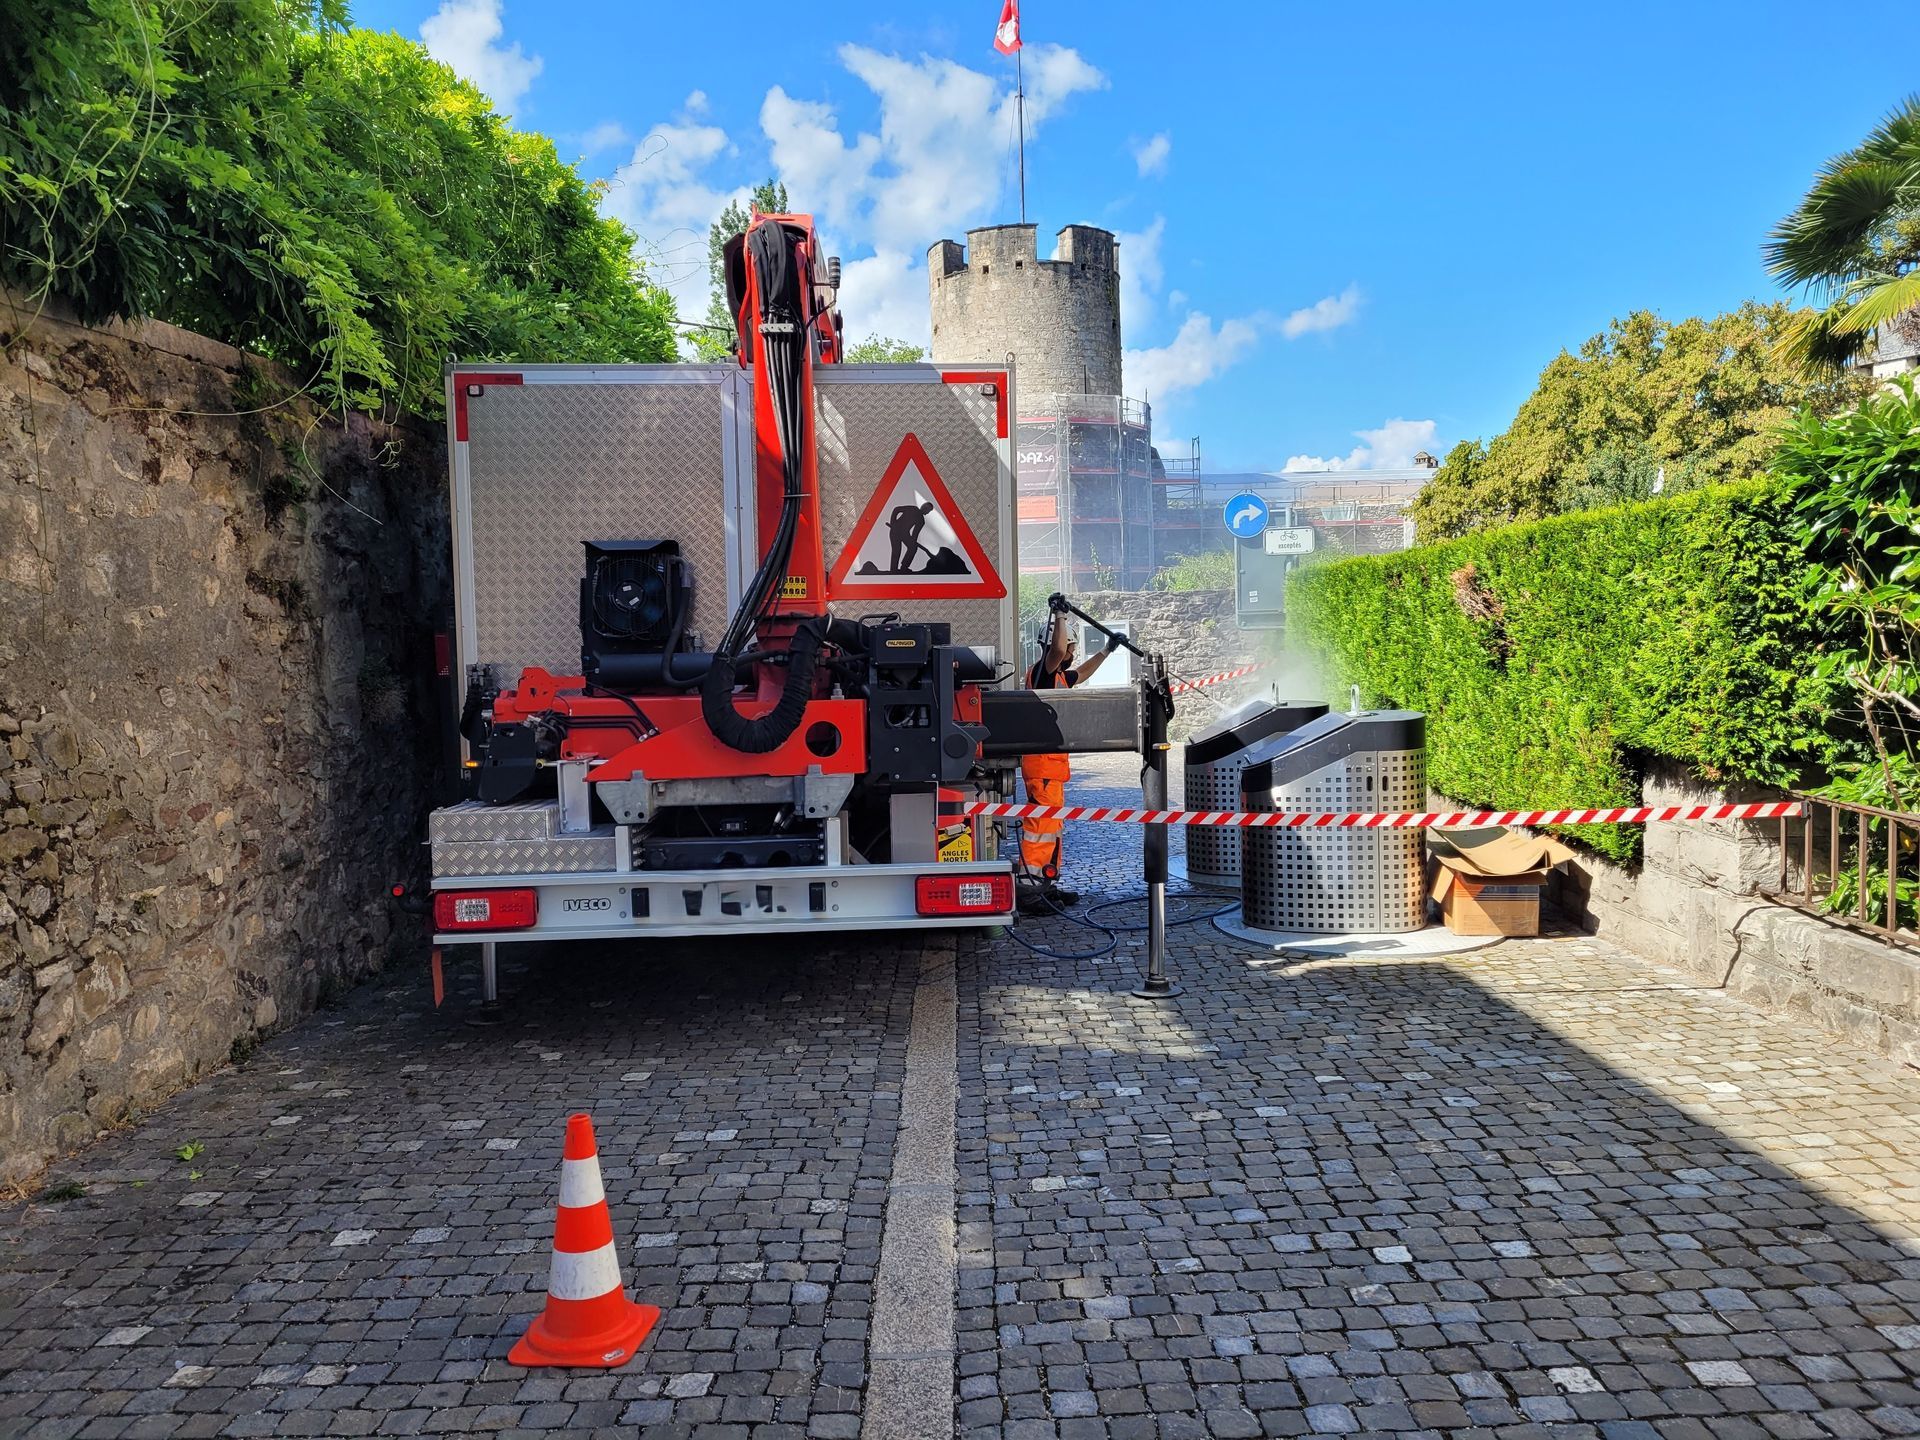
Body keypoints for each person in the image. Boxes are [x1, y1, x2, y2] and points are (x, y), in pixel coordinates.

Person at [1019, 599, 1122, 911]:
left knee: (1051, 828)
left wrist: (1106, 650)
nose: (1072, 652)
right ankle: (1030, 888)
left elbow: (1082, 672)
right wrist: (1061, 616)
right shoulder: (1042, 673)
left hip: (1051, 767)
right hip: (1042, 767)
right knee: (1040, 829)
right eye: (1071, 646)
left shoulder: (1061, 677)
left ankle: (1047, 883)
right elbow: (1057, 652)